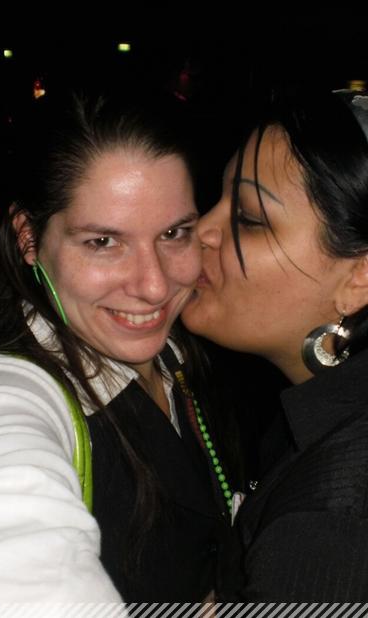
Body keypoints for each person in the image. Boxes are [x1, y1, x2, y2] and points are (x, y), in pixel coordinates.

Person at [0, 92, 238, 602]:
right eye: (103, 242)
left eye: (174, 233)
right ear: (28, 238)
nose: (154, 286)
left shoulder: (182, 353)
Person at [182, 88, 368, 601]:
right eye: (216, 199)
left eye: (248, 218)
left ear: (360, 278)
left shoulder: (333, 526)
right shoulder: (309, 418)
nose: (201, 230)